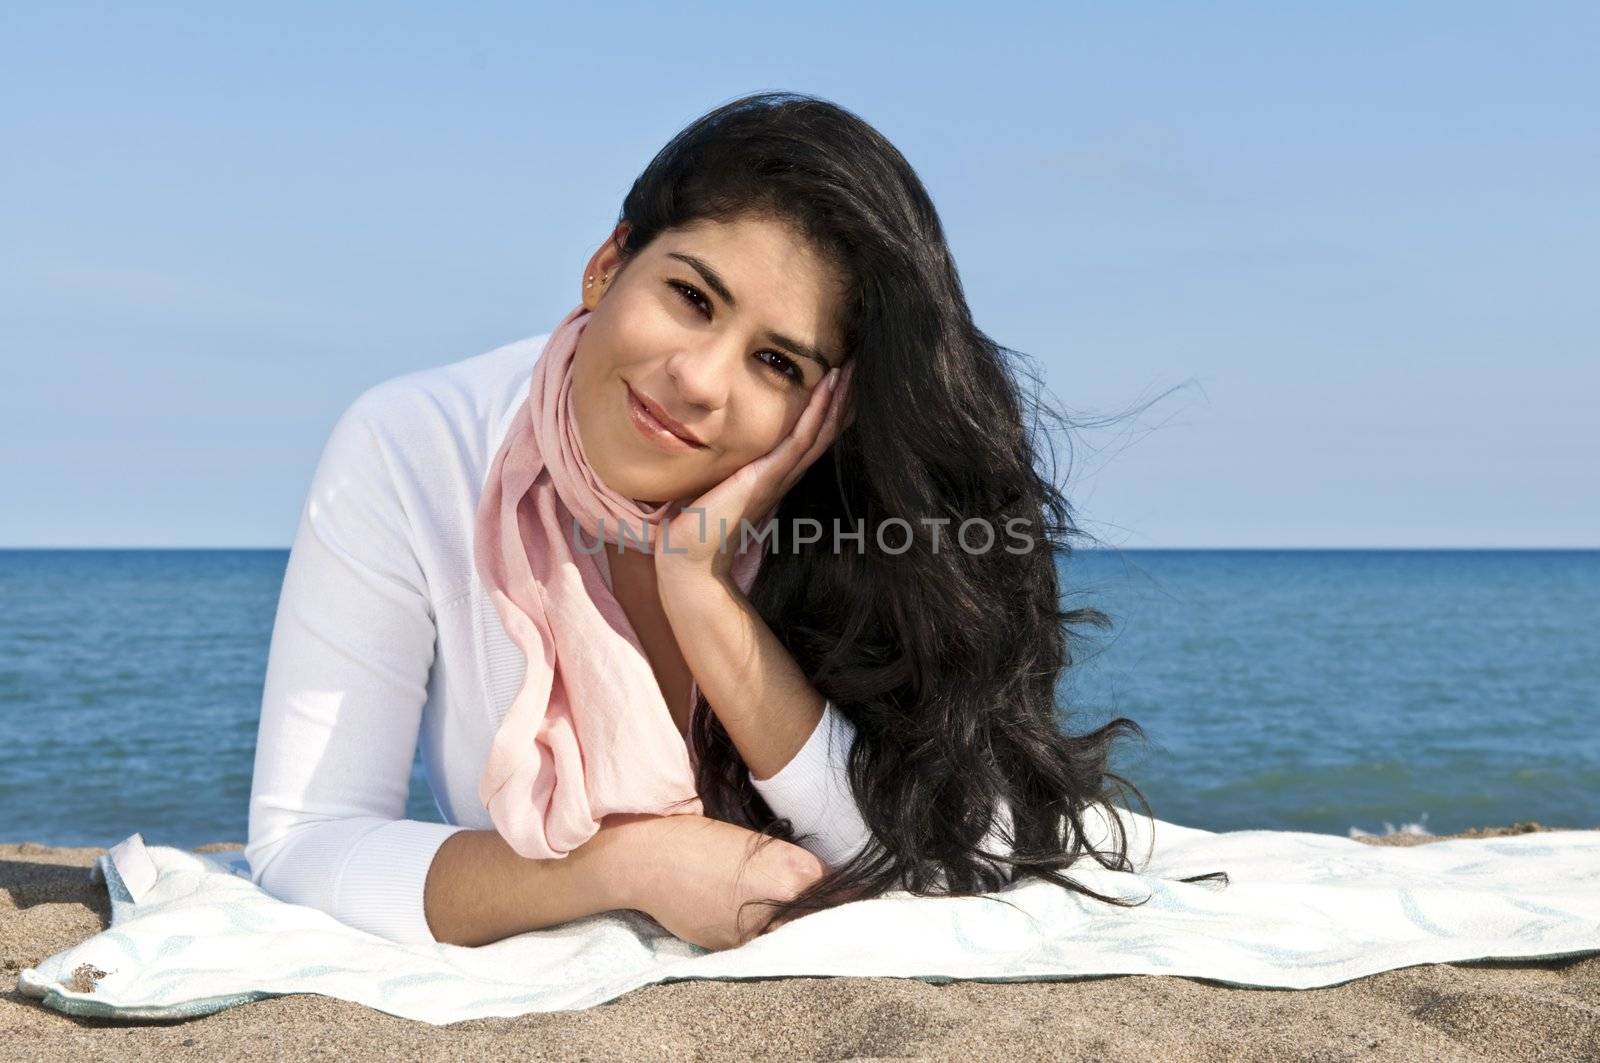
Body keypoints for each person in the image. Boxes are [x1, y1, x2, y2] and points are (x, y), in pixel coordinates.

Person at [247, 91, 1184, 954]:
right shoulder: (418, 446)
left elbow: (960, 854)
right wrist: (625, 866)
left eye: (776, 363)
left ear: (831, 405)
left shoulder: (845, 506)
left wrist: (702, 594)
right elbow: (304, 842)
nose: (699, 382)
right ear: (605, 266)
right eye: (690, 298)